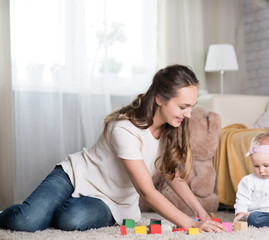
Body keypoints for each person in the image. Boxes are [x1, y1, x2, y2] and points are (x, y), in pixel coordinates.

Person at [0, 64, 225, 233]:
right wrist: (189, 224)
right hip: (74, 175)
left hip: (112, 201)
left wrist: (201, 213)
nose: (189, 114)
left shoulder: (171, 129)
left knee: (72, 220)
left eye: (192, 107)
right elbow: (147, 191)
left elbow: (172, 175)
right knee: (26, 221)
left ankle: (49, 210)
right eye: (183, 107)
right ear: (159, 99)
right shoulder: (124, 127)